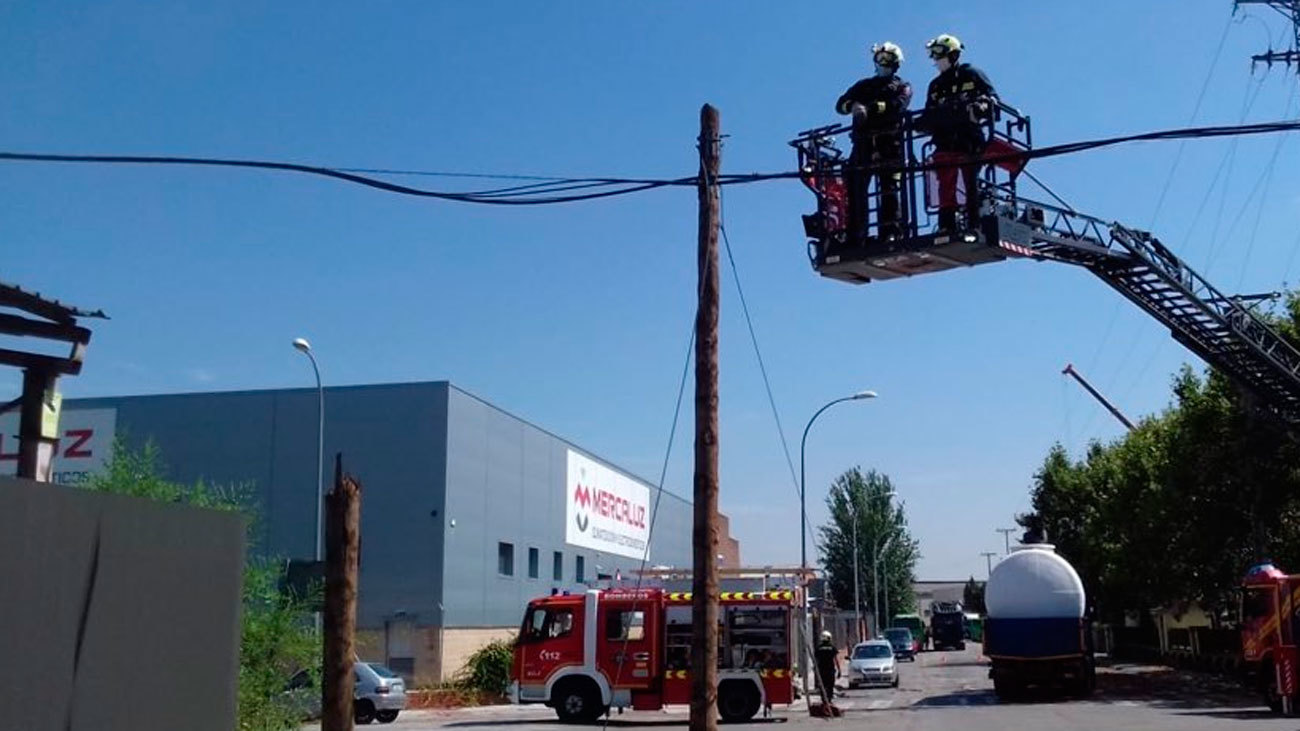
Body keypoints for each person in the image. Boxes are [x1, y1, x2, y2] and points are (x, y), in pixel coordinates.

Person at [835, 41, 913, 243]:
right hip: (863, 144)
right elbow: (840, 105)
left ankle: (891, 233)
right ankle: (857, 234)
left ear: (896, 64)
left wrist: (870, 108)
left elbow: (897, 105)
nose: (882, 64)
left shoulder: (903, 87)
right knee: (856, 186)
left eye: (887, 60)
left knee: (889, 189)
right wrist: (853, 105)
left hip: (890, 144)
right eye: (879, 59)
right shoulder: (863, 86)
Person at [920, 33, 997, 232]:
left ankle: (974, 223)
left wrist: (982, 106)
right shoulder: (935, 86)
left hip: (969, 139)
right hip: (944, 142)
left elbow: (993, 102)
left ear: (953, 55)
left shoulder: (972, 74)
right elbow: (929, 114)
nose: (936, 61)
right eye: (934, 56)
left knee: (971, 183)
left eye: (940, 55)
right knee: (945, 184)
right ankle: (947, 225)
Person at [814, 630, 840, 701]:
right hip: (830, 670)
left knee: (822, 686)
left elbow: (816, 660)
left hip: (821, 670)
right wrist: (839, 670)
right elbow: (836, 660)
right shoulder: (832, 648)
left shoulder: (818, 648)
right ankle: (829, 700)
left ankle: (823, 700)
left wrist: (815, 670)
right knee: (830, 686)